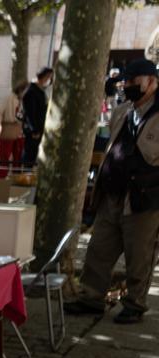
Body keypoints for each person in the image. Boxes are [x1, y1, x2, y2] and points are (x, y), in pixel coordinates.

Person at [66, 58, 159, 325]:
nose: (128, 86)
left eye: (134, 81)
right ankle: (91, 298)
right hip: (112, 194)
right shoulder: (122, 111)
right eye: (126, 81)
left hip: (144, 198)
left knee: (140, 254)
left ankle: (135, 303)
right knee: (99, 249)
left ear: (152, 82)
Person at [22, 67, 53, 165]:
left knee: (34, 154)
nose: (49, 80)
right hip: (33, 130)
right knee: (30, 154)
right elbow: (30, 113)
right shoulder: (31, 92)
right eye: (48, 77)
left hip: (39, 128)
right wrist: (34, 130)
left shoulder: (40, 91)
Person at [0, 83, 27, 178]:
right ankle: (2, 178)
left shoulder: (25, 100)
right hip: (8, 128)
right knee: (5, 156)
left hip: (20, 131)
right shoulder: (9, 98)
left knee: (18, 157)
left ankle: (16, 178)